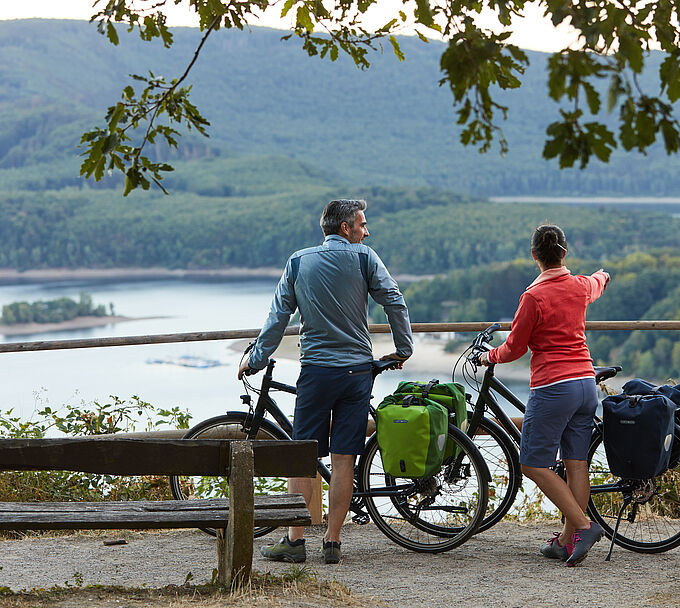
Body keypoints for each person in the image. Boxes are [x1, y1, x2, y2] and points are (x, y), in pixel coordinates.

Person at [237, 198, 413, 565]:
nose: (367, 231)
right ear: (346, 228)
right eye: (362, 224)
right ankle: (332, 542)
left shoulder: (299, 261)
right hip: (357, 373)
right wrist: (403, 348)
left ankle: (295, 540)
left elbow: (277, 318)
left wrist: (255, 359)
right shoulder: (365, 258)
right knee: (344, 457)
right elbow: (394, 299)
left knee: (302, 456)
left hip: (316, 372)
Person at [479, 224, 610, 566]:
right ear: (564, 252)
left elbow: (513, 348)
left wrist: (488, 356)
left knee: (533, 463)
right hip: (585, 383)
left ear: (535, 256)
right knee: (575, 462)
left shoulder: (533, 296)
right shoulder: (581, 285)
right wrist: (604, 274)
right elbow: (598, 282)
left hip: (554, 387)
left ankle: (583, 526)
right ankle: (567, 541)